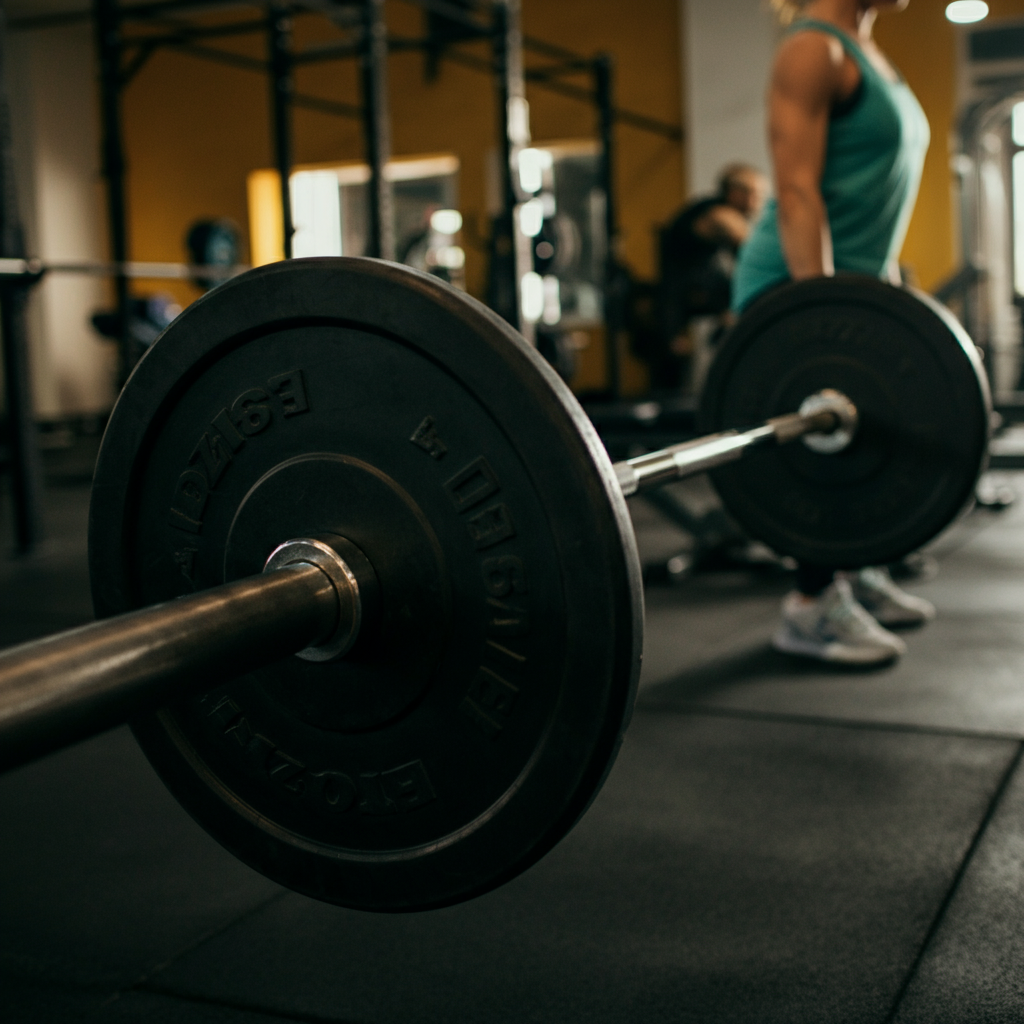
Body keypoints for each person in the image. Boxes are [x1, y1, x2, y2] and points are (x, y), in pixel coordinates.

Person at [732, 0, 935, 665]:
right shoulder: (812, 51)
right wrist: (817, 316)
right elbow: (795, 190)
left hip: (853, 285)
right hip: (793, 283)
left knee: (874, 430)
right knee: (823, 443)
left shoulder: (867, 51)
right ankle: (811, 606)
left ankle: (854, 567)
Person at [650, 164, 769, 391]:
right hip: (678, 302)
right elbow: (752, 253)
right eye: (756, 194)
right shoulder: (719, 214)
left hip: (697, 293)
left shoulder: (711, 210)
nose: (760, 202)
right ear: (735, 193)